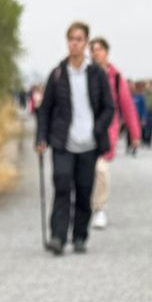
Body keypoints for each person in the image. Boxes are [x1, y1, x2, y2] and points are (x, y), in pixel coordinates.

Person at [33, 20, 115, 255]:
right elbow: (45, 109)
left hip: (89, 144)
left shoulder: (96, 74)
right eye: (71, 39)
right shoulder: (58, 74)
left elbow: (109, 107)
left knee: (83, 189)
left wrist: (97, 129)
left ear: (86, 43)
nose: (74, 44)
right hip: (63, 142)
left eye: (79, 39)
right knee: (61, 186)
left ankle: (79, 235)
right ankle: (58, 236)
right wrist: (42, 138)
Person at [87, 38, 140, 230]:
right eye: (92, 50)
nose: (95, 53)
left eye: (99, 49)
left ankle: (100, 209)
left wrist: (134, 134)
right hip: (85, 129)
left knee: (101, 168)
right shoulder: (85, 74)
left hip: (108, 129)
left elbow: (127, 106)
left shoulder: (116, 78)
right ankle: (83, 207)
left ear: (107, 52)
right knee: (85, 170)